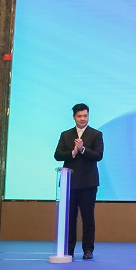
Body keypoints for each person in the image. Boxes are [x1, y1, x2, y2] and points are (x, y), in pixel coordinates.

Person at [53, 103, 104, 260]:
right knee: (69, 218)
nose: (83, 119)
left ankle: (88, 249)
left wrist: (82, 149)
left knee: (88, 218)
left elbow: (98, 155)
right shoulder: (66, 134)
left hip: (89, 183)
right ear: (74, 117)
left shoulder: (96, 134)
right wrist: (73, 152)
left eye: (85, 116)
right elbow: (57, 155)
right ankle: (68, 249)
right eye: (79, 116)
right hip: (69, 183)